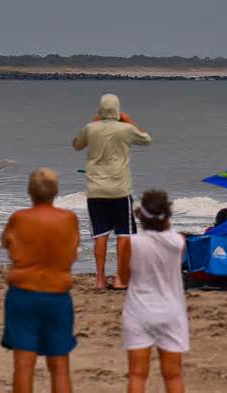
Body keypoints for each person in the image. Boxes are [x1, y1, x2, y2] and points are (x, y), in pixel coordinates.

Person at [0, 168, 80, 393]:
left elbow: (7, 243)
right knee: (59, 365)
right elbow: (72, 252)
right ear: (55, 192)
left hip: (23, 293)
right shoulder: (68, 219)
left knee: (24, 365)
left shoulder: (19, 218)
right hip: (57, 295)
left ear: (30, 191)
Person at [73, 93, 152, 289]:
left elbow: (77, 145)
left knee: (100, 235)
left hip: (95, 189)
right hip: (120, 190)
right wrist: (129, 120)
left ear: (100, 110)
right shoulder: (124, 129)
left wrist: (92, 123)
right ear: (117, 109)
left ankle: (100, 279)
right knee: (124, 234)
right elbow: (146, 139)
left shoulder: (90, 128)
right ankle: (119, 278)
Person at [118, 189, 189, 393]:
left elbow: (123, 278)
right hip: (171, 311)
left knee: (137, 374)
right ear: (168, 213)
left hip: (139, 310)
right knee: (173, 374)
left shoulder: (131, 243)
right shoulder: (178, 242)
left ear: (141, 214)